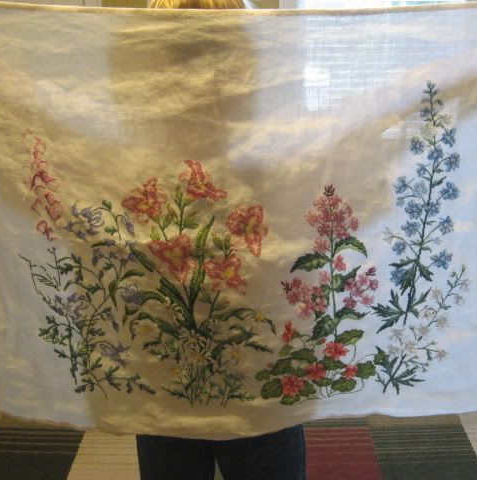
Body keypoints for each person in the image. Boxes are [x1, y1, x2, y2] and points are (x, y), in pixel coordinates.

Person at [135, 1, 307, 479]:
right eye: (186, 62)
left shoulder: (276, 149)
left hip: (249, 375)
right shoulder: (134, 155)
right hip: (178, 373)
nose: (202, 81)